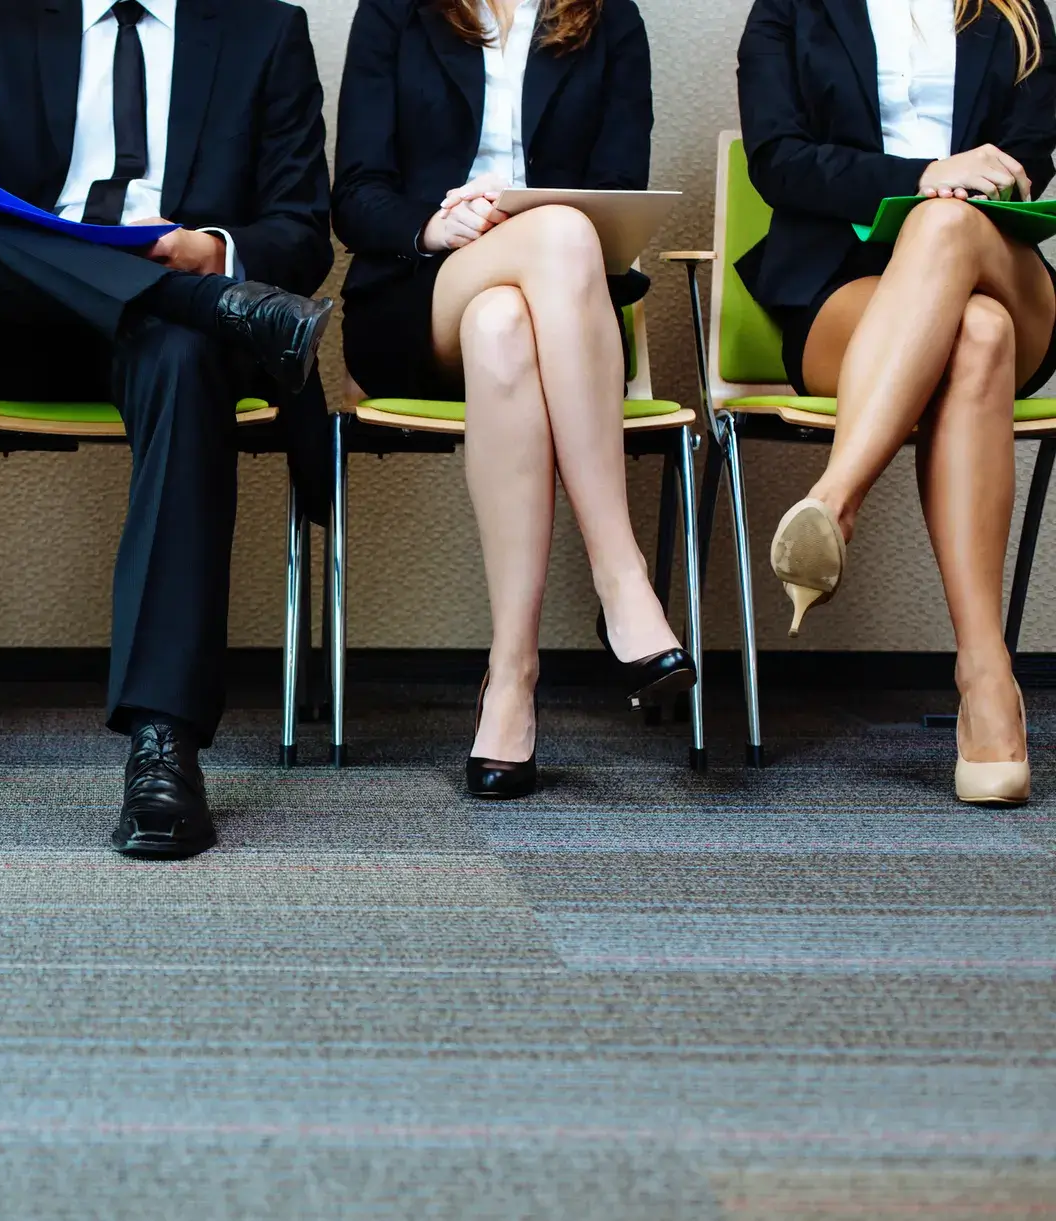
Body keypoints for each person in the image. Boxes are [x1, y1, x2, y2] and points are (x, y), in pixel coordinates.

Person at [0, 0, 338, 860]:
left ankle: (163, 745)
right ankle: (199, 305)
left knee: (180, 350)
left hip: (174, 341)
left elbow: (301, 232)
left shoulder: (264, 28)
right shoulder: (6, 19)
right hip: (29, 332)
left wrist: (212, 252)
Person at [332, 0, 693, 799]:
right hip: (418, 296)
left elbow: (620, 194)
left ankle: (511, 678)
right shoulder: (397, 12)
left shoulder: (610, 19)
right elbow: (355, 192)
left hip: (555, 313)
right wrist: (440, 225)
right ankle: (621, 575)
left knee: (507, 322)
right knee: (559, 234)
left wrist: (522, 215)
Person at [742, 0, 1056, 805]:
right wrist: (917, 177)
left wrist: (944, 198)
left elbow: (1028, 163)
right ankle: (986, 677)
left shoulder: (1018, 10)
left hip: (999, 266)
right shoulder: (790, 8)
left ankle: (835, 500)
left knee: (948, 233)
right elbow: (777, 160)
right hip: (844, 294)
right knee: (975, 338)